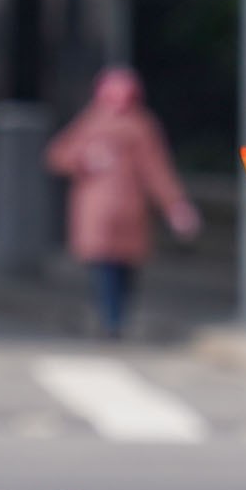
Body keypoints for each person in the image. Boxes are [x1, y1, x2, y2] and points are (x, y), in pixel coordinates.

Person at [45, 67, 199, 338]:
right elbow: (59, 156)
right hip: (109, 212)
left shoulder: (129, 125)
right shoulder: (102, 123)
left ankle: (113, 317)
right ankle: (113, 318)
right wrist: (85, 158)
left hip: (123, 211)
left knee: (116, 268)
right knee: (110, 268)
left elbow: (156, 171)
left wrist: (175, 205)